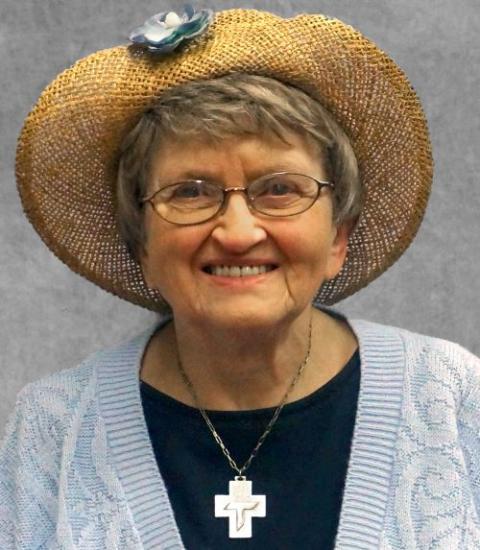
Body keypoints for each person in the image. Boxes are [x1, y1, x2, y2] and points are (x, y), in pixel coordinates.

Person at [1, 6, 479, 549]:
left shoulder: (454, 398)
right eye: (189, 192)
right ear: (140, 245)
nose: (237, 231)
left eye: (279, 189)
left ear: (339, 237)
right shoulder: (55, 427)